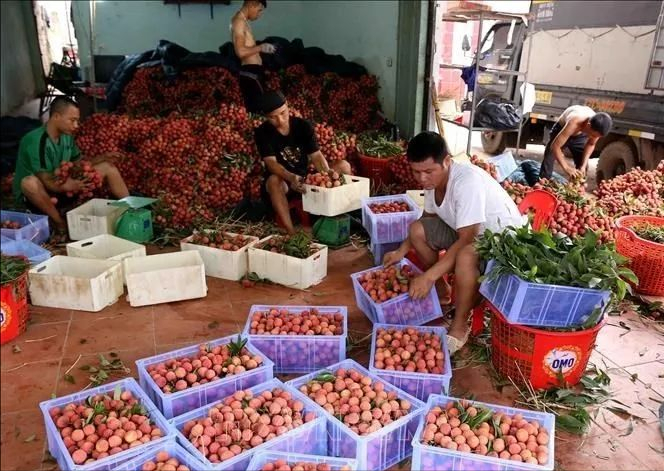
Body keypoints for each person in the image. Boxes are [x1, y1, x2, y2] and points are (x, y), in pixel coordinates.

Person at [382, 131, 525, 354]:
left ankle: (460, 324)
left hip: (499, 241)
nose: (422, 179)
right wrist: (402, 250)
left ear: (447, 161)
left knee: (466, 255)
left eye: (429, 171)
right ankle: (442, 290)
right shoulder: (432, 183)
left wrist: (427, 276)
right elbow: (427, 220)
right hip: (465, 232)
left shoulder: (466, 182)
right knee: (416, 230)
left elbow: (468, 238)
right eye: (416, 172)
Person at [13, 96, 129, 240]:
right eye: (72, 120)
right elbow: (46, 179)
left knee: (107, 167)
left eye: (77, 121)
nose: (76, 126)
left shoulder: (66, 137)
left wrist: (103, 158)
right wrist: (66, 187)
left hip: (62, 187)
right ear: (56, 116)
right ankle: (59, 223)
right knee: (29, 182)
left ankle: (132, 209)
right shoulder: (36, 141)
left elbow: (79, 163)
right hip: (38, 196)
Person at [254, 91, 352, 235]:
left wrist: (326, 172)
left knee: (343, 166)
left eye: (283, 113)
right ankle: (290, 230)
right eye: (273, 117)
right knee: (274, 181)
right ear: (266, 117)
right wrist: (291, 177)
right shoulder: (262, 132)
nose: (280, 120)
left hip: (304, 178)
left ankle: (343, 216)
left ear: (288, 106)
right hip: (284, 183)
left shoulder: (303, 126)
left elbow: (316, 155)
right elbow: (272, 164)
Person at [539, 105, 612, 180]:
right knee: (549, 156)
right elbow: (555, 146)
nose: (593, 138)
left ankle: (576, 187)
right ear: (588, 125)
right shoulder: (574, 121)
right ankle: (543, 183)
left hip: (580, 134)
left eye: (596, 136)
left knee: (583, 165)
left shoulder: (597, 128)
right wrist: (567, 168)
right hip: (562, 129)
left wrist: (583, 166)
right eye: (592, 135)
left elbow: (591, 144)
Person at [231, 0, 276, 113]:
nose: (259, 14)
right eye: (259, 10)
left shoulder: (243, 21)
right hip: (250, 73)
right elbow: (240, 52)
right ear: (251, 4)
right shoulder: (239, 22)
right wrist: (261, 47)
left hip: (254, 72)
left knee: (260, 110)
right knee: (259, 112)